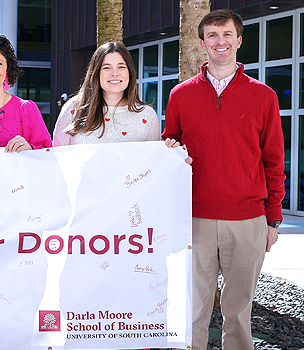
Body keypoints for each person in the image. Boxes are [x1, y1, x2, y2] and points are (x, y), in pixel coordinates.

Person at [161, 9, 284, 350]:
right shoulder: (180, 95)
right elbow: (170, 146)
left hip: (248, 219)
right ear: (202, 43)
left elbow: (274, 161)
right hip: (194, 218)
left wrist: (273, 218)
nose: (220, 42)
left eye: (227, 34)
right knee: (193, 308)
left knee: (239, 310)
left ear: (239, 41)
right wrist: (169, 146)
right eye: (212, 35)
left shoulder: (264, 96)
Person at [53, 41, 159, 145]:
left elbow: (155, 155)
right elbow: (57, 153)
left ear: (130, 72)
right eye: (106, 67)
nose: (115, 73)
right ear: (96, 73)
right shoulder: (74, 108)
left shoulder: (147, 115)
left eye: (121, 67)